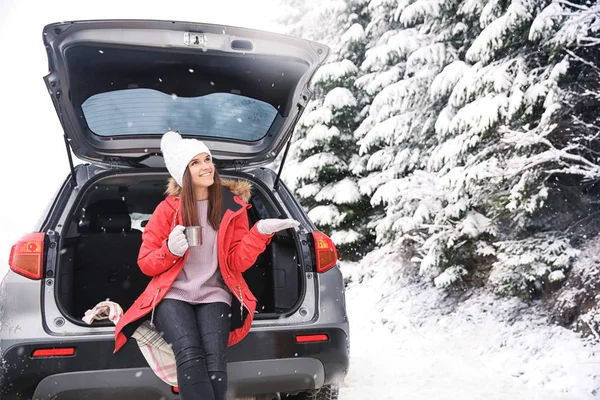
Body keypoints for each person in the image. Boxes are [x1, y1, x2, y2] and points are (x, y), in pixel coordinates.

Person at [113, 131, 299, 400]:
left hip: (215, 293)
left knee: (214, 361)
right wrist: (170, 250)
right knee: (189, 353)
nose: (206, 166)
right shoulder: (167, 210)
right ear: (183, 173)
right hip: (173, 293)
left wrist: (259, 232)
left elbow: (236, 262)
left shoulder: (232, 207)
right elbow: (146, 263)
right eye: (195, 162)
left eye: (207, 159)